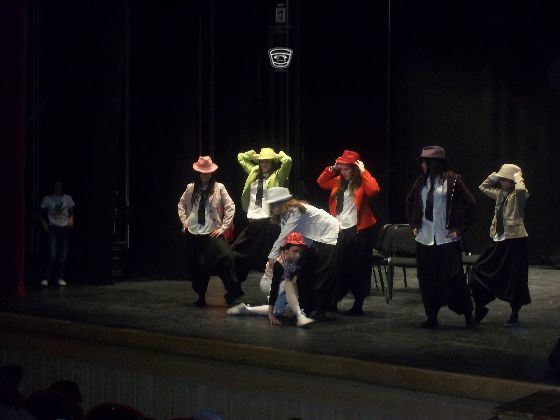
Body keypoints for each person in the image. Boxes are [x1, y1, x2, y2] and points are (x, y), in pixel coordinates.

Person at [405, 146, 476, 329]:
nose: (422, 165)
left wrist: (460, 229)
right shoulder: (421, 182)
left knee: (454, 279)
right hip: (425, 239)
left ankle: (468, 315)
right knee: (427, 280)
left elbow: (471, 203)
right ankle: (432, 317)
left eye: (425, 162)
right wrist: (414, 225)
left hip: (446, 239)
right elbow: (410, 202)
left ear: (433, 163)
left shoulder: (452, 180)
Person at [317, 150, 381, 315]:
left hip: (359, 231)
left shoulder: (362, 183)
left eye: (347, 169)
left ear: (354, 169)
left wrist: (364, 171)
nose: (343, 172)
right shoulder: (338, 182)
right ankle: (333, 301)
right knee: (337, 267)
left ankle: (358, 305)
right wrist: (333, 168)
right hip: (340, 230)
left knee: (358, 268)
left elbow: (374, 190)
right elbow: (321, 181)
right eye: (342, 169)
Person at [266, 187, 340, 321]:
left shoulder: (296, 210)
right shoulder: (284, 216)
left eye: (272, 205)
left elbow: (284, 236)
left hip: (330, 235)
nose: (270, 209)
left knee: (321, 274)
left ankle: (320, 310)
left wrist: (272, 257)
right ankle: (306, 308)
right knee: (304, 272)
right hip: (313, 240)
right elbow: (286, 239)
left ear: (280, 203)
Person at [177, 156, 243, 307]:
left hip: (211, 231)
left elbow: (230, 206)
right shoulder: (191, 188)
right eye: (203, 172)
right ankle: (201, 296)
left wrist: (224, 227)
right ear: (199, 173)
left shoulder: (219, 188)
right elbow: (181, 204)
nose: (206, 175)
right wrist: (185, 222)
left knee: (226, 257)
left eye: (208, 172)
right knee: (198, 266)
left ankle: (233, 291)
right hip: (194, 231)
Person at [470, 164, 530, 327]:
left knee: (515, 279)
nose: (502, 182)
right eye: (501, 180)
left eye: (505, 179)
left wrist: (517, 177)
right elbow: (483, 187)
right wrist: (496, 176)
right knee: (478, 270)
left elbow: (521, 190)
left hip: (515, 242)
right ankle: (480, 306)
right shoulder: (499, 194)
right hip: (498, 240)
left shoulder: (519, 196)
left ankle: (514, 315)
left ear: (512, 181)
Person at [227, 232, 315, 328]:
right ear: (286, 250)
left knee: (278, 310)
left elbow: (293, 276)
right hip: (268, 283)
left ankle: (246, 309)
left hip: (283, 284)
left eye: (299, 252)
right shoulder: (279, 263)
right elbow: (274, 287)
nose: (298, 255)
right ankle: (300, 316)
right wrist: (270, 314)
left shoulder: (296, 260)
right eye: (295, 251)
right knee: (288, 284)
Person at [231, 148, 292, 283]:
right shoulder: (254, 172)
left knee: (267, 256)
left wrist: (276, 155)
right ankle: (236, 284)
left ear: (272, 162)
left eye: (267, 161)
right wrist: (254, 155)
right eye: (261, 161)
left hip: (267, 220)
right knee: (237, 251)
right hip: (253, 219)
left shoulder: (277, 175)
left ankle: (276, 286)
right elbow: (241, 157)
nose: (263, 164)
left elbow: (288, 161)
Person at [39, 180, 75, 287]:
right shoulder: (48, 199)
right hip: (53, 228)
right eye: (56, 186)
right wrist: (44, 223)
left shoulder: (67, 198)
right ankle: (46, 278)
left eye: (60, 186)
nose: (58, 188)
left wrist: (71, 218)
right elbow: (39, 212)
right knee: (52, 254)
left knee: (63, 255)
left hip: (65, 229)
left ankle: (60, 277)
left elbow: (72, 210)